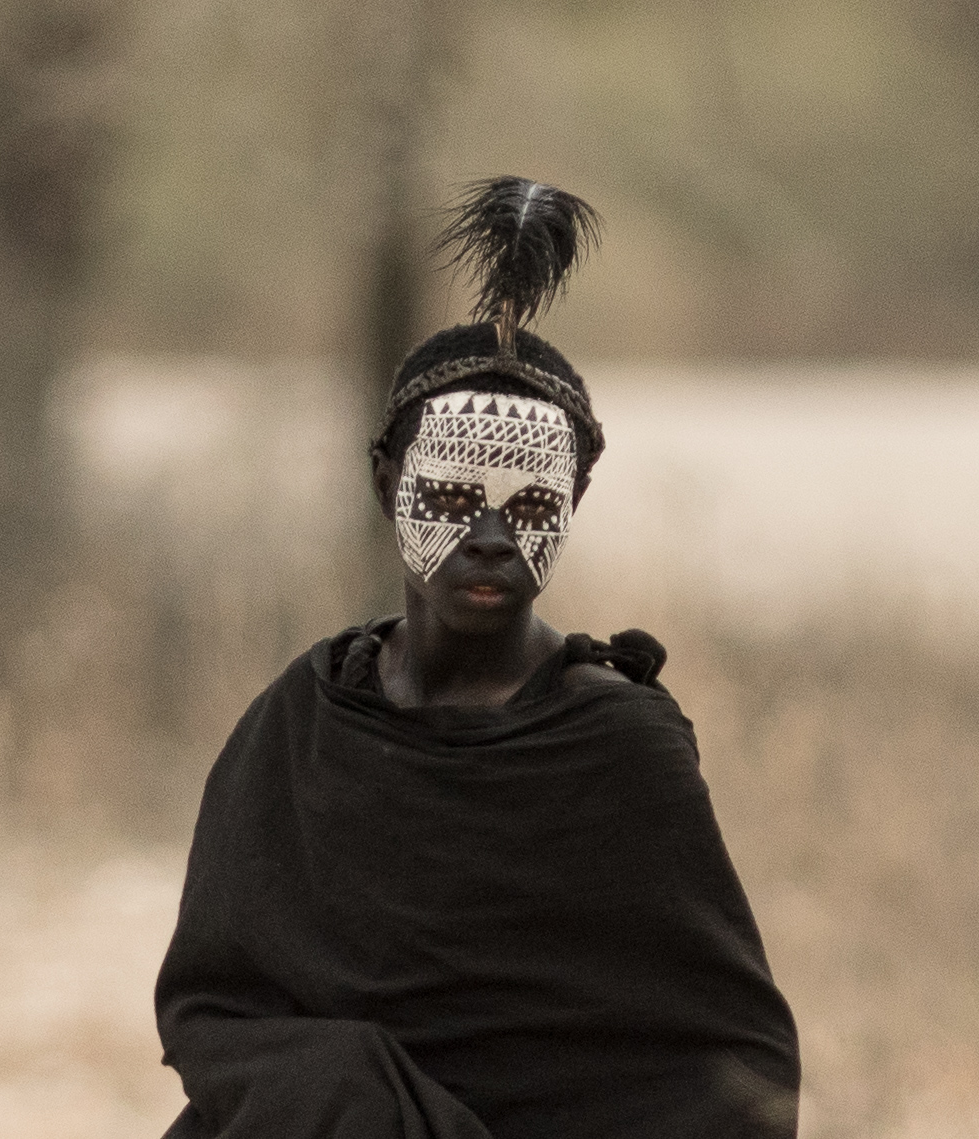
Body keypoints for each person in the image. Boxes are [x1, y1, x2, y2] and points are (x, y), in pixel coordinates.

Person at [154, 178, 800, 1138]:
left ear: (576, 495)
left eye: (530, 501)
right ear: (387, 485)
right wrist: (348, 1095)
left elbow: (718, 1052)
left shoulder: (615, 741)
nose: (492, 534)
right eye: (456, 494)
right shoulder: (304, 718)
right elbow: (219, 1005)